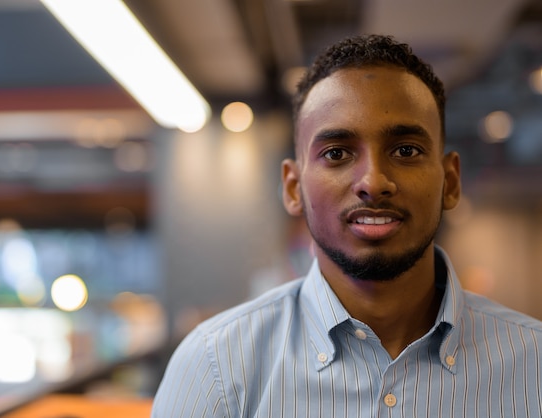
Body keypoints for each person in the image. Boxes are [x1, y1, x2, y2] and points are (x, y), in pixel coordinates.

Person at [151, 34, 542, 417]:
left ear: (450, 182)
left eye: (406, 150)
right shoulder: (215, 367)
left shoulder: (533, 365)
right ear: (293, 188)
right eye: (336, 153)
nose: (373, 182)